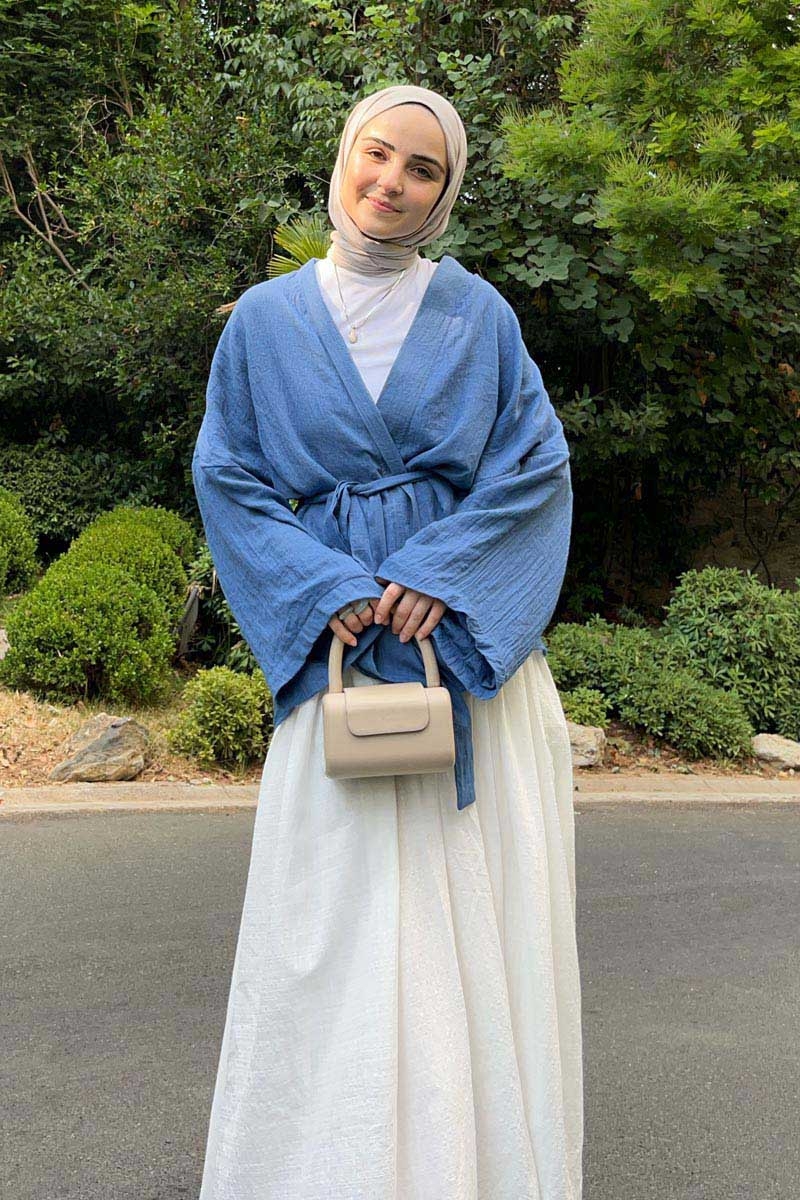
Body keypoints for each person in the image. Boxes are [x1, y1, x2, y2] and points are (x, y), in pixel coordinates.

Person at [192, 83, 583, 1200]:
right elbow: (227, 474)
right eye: (378, 154)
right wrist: (321, 586)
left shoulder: (480, 317)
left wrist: (443, 574)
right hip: (338, 656)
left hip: (461, 661)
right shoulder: (265, 322)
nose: (393, 183)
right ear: (344, 157)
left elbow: (535, 466)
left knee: (474, 913)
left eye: (424, 169)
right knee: (333, 920)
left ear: (444, 194)